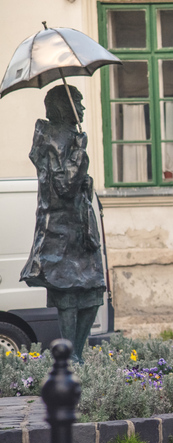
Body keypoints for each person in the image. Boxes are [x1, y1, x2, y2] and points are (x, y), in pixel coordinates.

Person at [20, 84, 106, 364]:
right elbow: (64, 186)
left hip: (81, 227)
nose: (81, 108)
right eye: (77, 102)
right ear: (63, 106)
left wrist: (86, 178)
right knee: (68, 294)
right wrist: (80, 153)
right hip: (61, 229)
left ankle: (77, 355)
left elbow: (78, 185)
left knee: (93, 293)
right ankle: (70, 358)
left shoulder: (70, 135)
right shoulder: (54, 138)